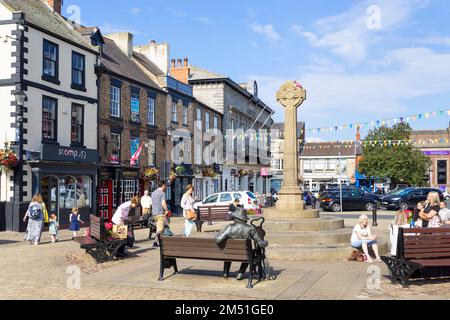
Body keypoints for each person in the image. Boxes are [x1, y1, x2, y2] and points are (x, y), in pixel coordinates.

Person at [215, 207, 268, 280]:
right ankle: (240, 273)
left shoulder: (230, 227)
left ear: (236, 218)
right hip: (244, 254)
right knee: (249, 254)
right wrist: (265, 242)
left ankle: (225, 272)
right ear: (244, 218)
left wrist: (217, 234)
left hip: (229, 253)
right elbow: (260, 243)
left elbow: (218, 240)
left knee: (228, 252)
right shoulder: (250, 228)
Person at [151, 181, 170, 248]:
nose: (166, 187)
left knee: (163, 227)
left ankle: (161, 242)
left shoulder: (153, 193)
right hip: (160, 214)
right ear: (163, 185)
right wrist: (167, 210)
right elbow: (163, 203)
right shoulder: (162, 193)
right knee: (160, 229)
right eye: (165, 185)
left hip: (154, 214)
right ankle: (155, 243)